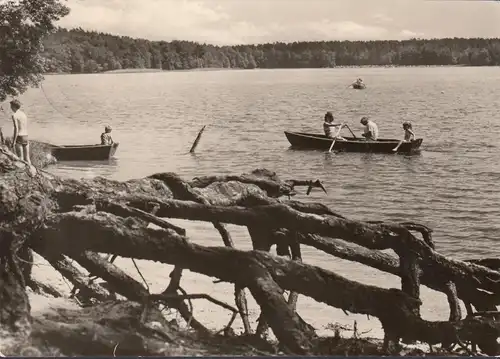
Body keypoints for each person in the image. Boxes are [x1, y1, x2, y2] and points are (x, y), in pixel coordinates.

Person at [10, 99, 31, 164]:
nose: (10, 108)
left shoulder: (14, 115)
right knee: (27, 158)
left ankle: (23, 173)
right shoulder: (23, 114)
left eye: (11, 106)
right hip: (26, 136)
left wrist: (13, 141)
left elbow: (16, 129)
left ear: (14, 106)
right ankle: (32, 172)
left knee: (20, 158)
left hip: (19, 137)